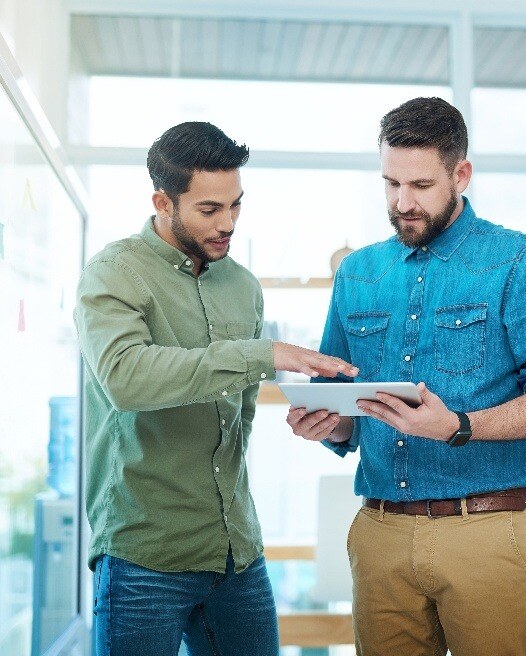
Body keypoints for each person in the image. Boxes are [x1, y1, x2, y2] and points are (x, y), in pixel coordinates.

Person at [287, 97, 526, 656]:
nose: (403, 203)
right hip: (380, 535)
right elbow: (343, 405)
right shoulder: (358, 273)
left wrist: (459, 424)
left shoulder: (521, 262)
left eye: (421, 185)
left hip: (487, 533)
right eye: (390, 184)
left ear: (461, 174)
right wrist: (326, 424)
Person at [74, 121, 358, 656]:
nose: (227, 223)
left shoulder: (243, 287)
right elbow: (126, 378)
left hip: (236, 552)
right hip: (144, 554)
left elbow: (239, 417)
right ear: (163, 201)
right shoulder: (113, 274)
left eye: (236, 206)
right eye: (209, 210)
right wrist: (262, 354)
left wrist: (315, 417)